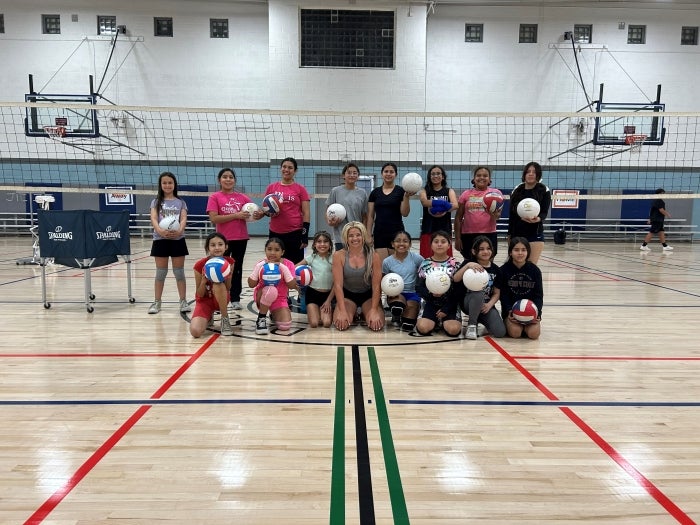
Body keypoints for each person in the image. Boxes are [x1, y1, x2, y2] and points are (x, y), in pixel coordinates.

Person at [207, 167, 263, 311]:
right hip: (221, 241)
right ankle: (220, 297)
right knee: (220, 269)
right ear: (219, 180)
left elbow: (255, 212)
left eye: (231, 177)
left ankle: (235, 298)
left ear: (234, 180)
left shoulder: (242, 198)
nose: (228, 179)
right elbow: (214, 218)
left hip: (240, 238)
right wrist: (236, 215)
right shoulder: (215, 197)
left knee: (236, 269)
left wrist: (259, 214)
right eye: (225, 177)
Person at [148, 171, 191, 315]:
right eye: (164, 183)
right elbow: (154, 218)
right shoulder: (156, 201)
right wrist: (159, 230)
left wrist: (180, 231)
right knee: (161, 273)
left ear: (174, 185)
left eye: (170, 182)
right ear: (160, 185)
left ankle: (183, 301)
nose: (167, 185)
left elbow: (183, 218)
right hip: (160, 240)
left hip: (177, 239)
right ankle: (157, 302)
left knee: (179, 272)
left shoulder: (181, 202)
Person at [332, 221, 385, 332]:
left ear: (363, 236)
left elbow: (376, 286)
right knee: (342, 324)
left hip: (368, 296)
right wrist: (342, 310)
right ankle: (354, 312)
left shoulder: (374, 256)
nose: (355, 238)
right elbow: (337, 286)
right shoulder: (339, 256)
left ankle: (364, 313)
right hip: (348, 296)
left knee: (376, 324)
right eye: (351, 235)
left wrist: (374, 310)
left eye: (358, 235)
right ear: (346, 238)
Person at [453, 235, 506, 340]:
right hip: (469, 301)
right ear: (474, 251)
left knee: (500, 332)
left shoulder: (496, 270)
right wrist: (467, 266)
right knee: (478, 293)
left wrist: (489, 305)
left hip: (486, 305)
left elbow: (496, 293)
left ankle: (480, 318)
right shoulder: (469, 264)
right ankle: (472, 325)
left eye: (488, 248)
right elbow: (455, 278)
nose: (485, 251)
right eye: (481, 249)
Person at [264, 157, 311, 264]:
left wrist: (304, 235)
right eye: (284, 167)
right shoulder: (271, 187)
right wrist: (266, 212)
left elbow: (306, 213)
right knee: (275, 263)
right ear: (280, 169)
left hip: (294, 233)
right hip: (275, 233)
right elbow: (266, 209)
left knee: (294, 265)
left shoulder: (300, 189)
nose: (286, 170)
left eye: (290, 168)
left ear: (295, 171)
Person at [247, 237, 299, 335]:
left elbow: (292, 285)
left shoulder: (288, 264)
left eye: (277, 250)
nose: (272, 253)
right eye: (269, 249)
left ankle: (273, 313)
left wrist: (283, 268)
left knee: (285, 326)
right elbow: (251, 284)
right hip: (262, 294)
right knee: (271, 290)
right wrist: (259, 267)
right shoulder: (261, 264)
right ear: (265, 250)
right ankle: (261, 319)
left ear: (282, 252)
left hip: (280, 298)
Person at [415, 231, 461, 337]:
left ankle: (443, 321)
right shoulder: (425, 263)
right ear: (431, 245)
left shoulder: (455, 264)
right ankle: (435, 320)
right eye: (436, 242)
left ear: (449, 245)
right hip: (430, 302)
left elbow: (458, 290)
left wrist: (447, 308)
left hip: (449, 303)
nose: (439, 244)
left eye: (443, 242)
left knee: (453, 330)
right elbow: (419, 287)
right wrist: (430, 294)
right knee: (423, 328)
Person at [190, 233, 235, 338]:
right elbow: (199, 294)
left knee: (218, 284)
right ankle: (209, 316)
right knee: (195, 332)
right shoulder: (199, 265)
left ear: (226, 247)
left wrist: (228, 276)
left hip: (221, 299)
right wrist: (203, 281)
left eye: (220, 244)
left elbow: (228, 288)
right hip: (205, 301)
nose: (217, 248)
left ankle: (225, 319)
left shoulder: (229, 262)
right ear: (208, 248)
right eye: (213, 245)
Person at [454, 166, 503, 261]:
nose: (481, 177)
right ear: (474, 179)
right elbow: (458, 218)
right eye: (478, 175)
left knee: (488, 262)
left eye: (485, 175)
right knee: (469, 263)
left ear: (489, 179)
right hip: (468, 235)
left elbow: (498, 216)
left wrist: (494, 215)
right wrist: (457, 238)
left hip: (489, 234)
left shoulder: (496, 193)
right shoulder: (466, 194)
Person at [507, 161, 551, 264]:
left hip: (534, 234)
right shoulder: (517, 190)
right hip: (517, 233)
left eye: (534, 172)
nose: (531, 174)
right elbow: (512, 215)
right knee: (515, 265)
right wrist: (509, 235)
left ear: (538, 174)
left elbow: (544, 212)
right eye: (528, 171)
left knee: (531, 266)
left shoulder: (544, 190)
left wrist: (538, 219)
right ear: (524, 174)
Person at [499, 237, 543, 340]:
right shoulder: (503, 270)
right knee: (515, 333)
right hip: (511, 313)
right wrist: (509, 311)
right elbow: (503, 295)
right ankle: (514, 325)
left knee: (533, 334)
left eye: (523, 250)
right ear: (510, 252)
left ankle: (526, 327)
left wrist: (538, 313)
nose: (520, 253)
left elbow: (538, 295)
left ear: (528, 252)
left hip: (530, 312)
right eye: (516, 250)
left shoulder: (535, 271)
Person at [366, 162, 412, 260]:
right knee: (382, 266)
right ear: (382, 174)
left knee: (396, 266)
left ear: (396, 174)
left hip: (397, 232)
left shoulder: (401, 191)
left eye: (391, 172)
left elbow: (405, 213)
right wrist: (368, 234)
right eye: (386, 171)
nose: (388, 174)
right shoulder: (375, 193)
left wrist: (406, 197)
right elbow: (370, 215)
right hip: (380, 232)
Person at [381, 230, 424, 331]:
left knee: (408, 326)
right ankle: (396, 314)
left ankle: (407, 314)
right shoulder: (387, 262)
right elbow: (384, 280)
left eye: (405, 241)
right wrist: (389, 292)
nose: (401, 244)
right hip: (395, 294)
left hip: (412, 293)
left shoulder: (417, 258)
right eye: (398, 241)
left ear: (410, 244)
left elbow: (425, 273)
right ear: (392, 244)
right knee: (397, 307)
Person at [325, 162, 369, 251]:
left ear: (358, 176)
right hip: (340, 236)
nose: (352, 175)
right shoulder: (335, 191)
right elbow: (327, 211)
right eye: (349, 172)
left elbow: (365, 216)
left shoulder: (362, 193)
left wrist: (365, 234)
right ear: (343, 175)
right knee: (342, 261)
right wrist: (329, 222)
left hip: (357, 236)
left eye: (354, 173)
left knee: (357, 262)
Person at [418, 165, 458, 258]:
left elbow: (455, 205)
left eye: (438, 173)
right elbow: (424, 202)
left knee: (445, 260)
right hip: (428, 229)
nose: (435, 176)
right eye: (433, 174)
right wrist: (443, 203)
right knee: (426, 259)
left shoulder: (449, 191)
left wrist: (441, 207)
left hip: (444, 229)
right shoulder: (424, 190)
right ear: (429, 177)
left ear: (443, 176)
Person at [297, 231, 335, 328]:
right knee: (314, 324)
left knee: (326, 323)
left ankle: (322, 311)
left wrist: (328, 301)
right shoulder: (311, 258)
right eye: (319, 241)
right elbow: (294, 268)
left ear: (330, 244)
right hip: (312, 294)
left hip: (327, 296)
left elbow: (337, 283)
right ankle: (315, 311)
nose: (322, 244)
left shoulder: (334, 259)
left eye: (325, 241)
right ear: (314, 244)